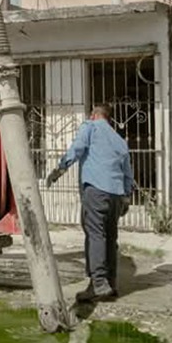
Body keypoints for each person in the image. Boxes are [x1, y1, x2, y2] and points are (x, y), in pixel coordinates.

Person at [45, 104, 134, 303]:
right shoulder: (119, 140)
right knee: (110, 237)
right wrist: (126, 197)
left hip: (96, 190)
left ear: (94, 115)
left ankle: (99, 283)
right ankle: (110, 285)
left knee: (95, 234)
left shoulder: (90, 127)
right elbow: (128, 173)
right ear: (109, 119)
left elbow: (76, 149)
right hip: (116, 195)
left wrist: (59, 170)